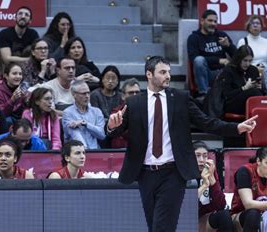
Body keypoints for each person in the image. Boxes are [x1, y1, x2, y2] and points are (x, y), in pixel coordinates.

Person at [107, 56, 258, 232]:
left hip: (173, 172)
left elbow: (206, 122)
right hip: (144, 173)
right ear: (149, 74)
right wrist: (111, 126)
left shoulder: (180, 98)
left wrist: (237, 127)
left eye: (169, 72)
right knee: (154, 224)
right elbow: (116, 130)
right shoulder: (134, 102)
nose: (168, 76)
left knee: (162, 226)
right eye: (163, 72)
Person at [187, 9, 236, 95]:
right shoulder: (194, 38)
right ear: (202, 21)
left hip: (223, 72)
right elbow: (193, 58)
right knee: (199, 60)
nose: (213, 24)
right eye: (210, 20)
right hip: (206, 73)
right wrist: (218, 60)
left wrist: (229, 46)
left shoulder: (221, 35)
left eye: (215, 21)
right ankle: (204, 94)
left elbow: (237, 56)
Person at [193, 141, 233, 232]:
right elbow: (188, 205)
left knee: (224, 215)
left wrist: (212, 179)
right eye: (197, 156)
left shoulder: (210, 171)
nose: (202, 160)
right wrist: (204, 185)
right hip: (188, 218)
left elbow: (221, 205)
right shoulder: (185, 173)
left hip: (206, 217)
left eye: (205, 156)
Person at [62, 80, 105, 149]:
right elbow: (70, 134)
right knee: (74, 128)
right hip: (76, 153)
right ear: (74, 94)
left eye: (88, 93)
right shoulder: (67, 113)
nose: (87, 96)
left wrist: (86, 124)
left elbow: (102, 135)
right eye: (83, 94)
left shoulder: (97, 112)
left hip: (95, 151)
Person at [220, 45, 263, 115]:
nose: (247, 64)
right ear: (239, 59)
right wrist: (244, 88)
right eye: (245, 60)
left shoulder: (253, 70)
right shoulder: (229, 70)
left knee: (258, 93)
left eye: (250, 61)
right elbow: (226, 95)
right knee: (253, 92)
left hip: (251, 101)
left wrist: (260, 87)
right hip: (232, 103)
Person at [110, 78, 141, 148]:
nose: (135, 95)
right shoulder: (116, 112)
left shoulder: (147, 110)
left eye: (137, 92)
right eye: (131, 93)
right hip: (121, 153)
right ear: (123, 96)